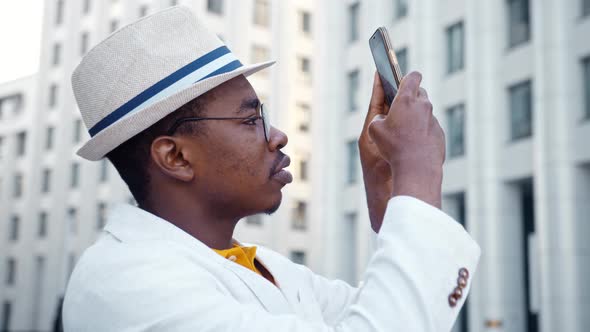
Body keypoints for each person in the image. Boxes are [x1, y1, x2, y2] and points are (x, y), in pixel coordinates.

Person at [63, 6, 480, 331]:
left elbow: (389, 314)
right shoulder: (127, 284)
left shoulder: (263, 266)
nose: (277, 135)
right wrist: (417, 173)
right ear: (176, 157)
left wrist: (392, 201)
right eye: (250, 120)